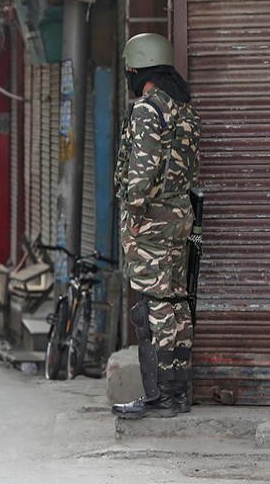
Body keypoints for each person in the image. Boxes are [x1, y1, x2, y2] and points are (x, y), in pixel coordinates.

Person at [111, 33, 201, 419]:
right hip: (178, 217)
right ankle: (176, 393)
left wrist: (131, 215)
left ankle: (161, 396)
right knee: (175, 302)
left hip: (151, 223)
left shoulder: (148, 109)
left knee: (154, 308)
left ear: (138, 68)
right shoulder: (182, 108)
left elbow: (140, 177)